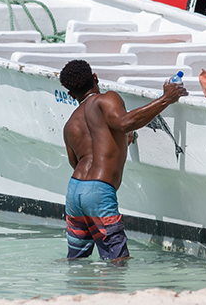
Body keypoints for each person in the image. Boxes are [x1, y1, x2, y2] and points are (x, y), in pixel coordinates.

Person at [59, 59, 187, 261]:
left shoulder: (70, 124)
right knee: (117, 260)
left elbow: (79, 160)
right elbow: (125, 122)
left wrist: (120, 144)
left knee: (76, 261)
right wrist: (166, 99)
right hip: (99, 191)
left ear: (70, 94)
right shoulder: (106, 100)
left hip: (74, 192)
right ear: (95, 78)